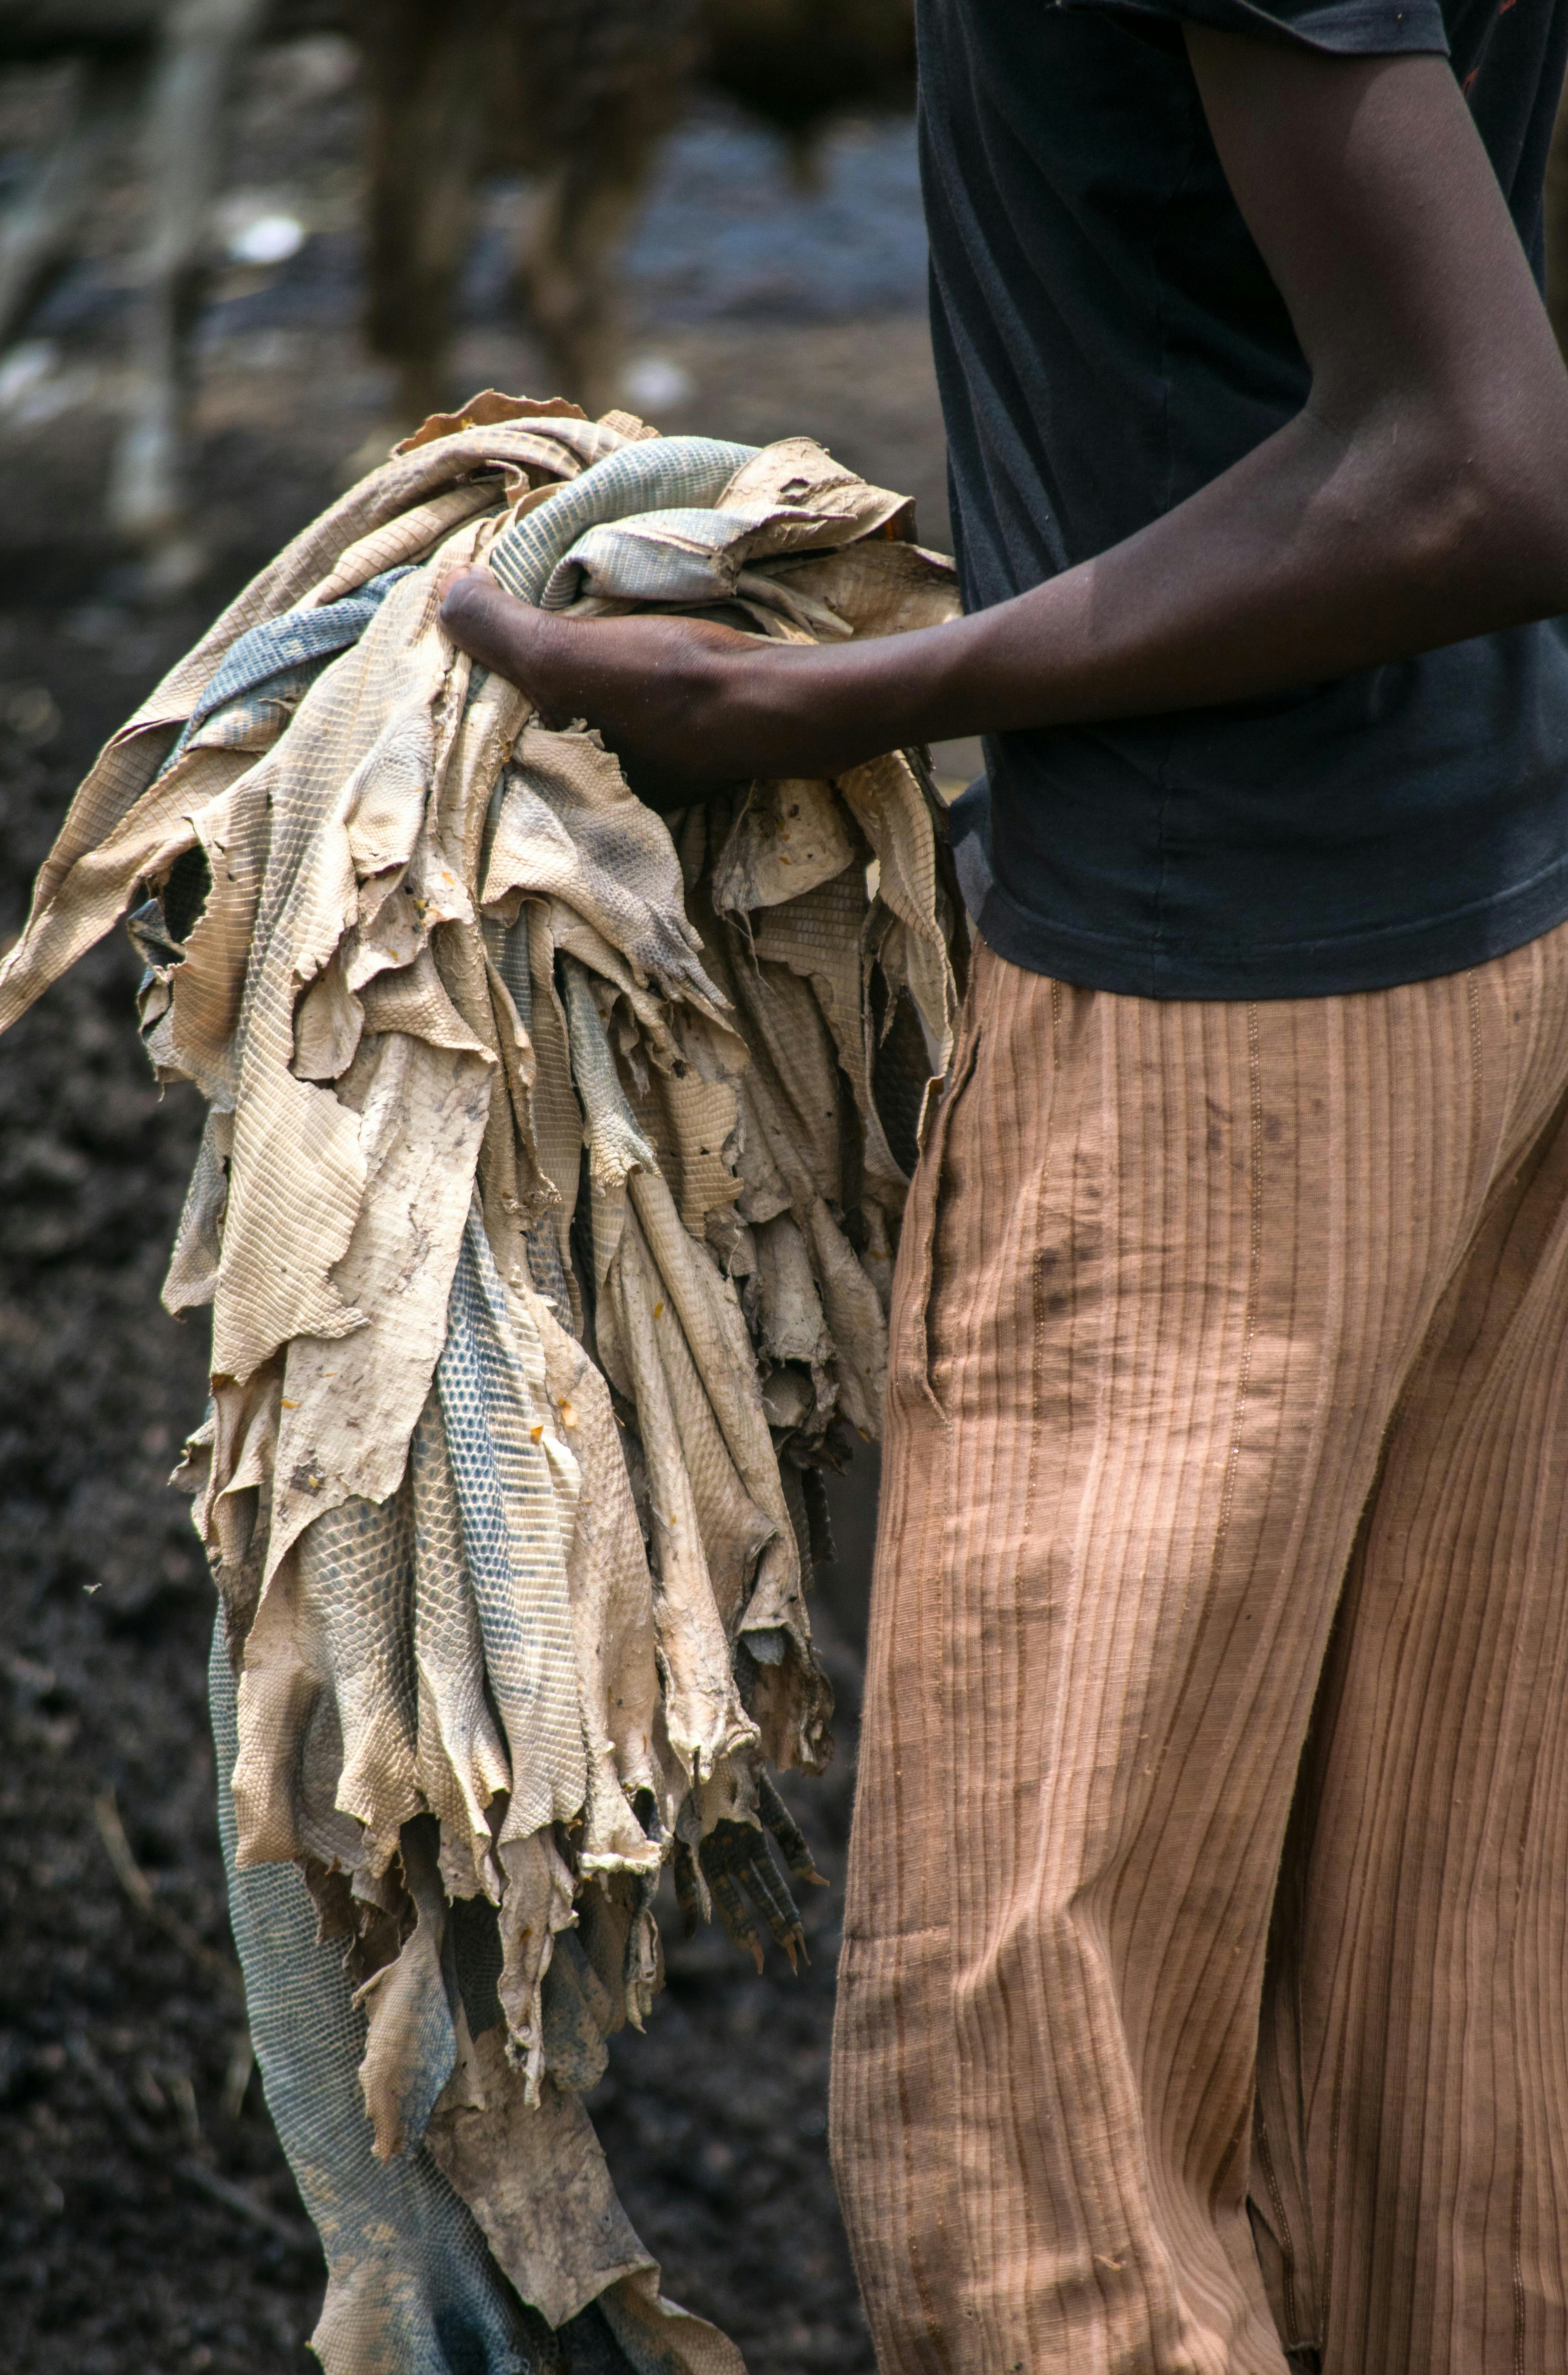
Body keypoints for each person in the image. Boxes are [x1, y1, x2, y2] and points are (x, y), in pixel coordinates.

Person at [439, 5, 1568, 2369]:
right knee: (1434, 2079)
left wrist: (859, 697)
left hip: (1216, 1037)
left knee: (1035, 2130)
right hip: (1497, 936)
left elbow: (1479, 466)